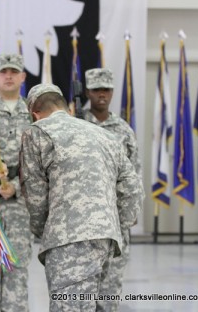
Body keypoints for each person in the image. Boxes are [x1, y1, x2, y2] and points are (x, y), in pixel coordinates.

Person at [20, 84, 143, 311]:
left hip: (67, 239)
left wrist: (44, 231)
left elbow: (35, 195)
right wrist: (116, 224)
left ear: (35, 114)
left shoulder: (36, 132)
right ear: (66, 108)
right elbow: (133, 187)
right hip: (107, 239)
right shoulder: (105, 135)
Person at [84, 67, 143, 311]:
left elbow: (134, 175)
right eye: (97, 89)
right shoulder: (75, 124)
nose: (102, 94)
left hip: (115, 221)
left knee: (110, 289)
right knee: (83, 289)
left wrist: (130, 214)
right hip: (84, 221)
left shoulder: (123, 130)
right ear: (87, 91)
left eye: (106, 89)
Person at [0, 54, 33, 312]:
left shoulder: (33, 113)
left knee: (16, 272)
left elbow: (38, 159)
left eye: (14, 71)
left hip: (19, 206)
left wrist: (15, 184)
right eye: (3, 71)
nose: (8, 76)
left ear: (23, 77)